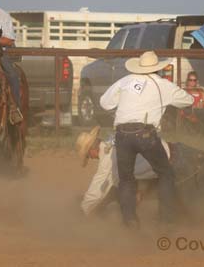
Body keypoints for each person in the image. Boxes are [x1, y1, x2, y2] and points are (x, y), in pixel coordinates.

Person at [99, 51, 194, 228]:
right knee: (166, 173)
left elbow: (104, 102)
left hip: (122, 134)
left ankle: (130, 220)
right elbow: (188, 100)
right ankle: (166, 219)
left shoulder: (125, 81)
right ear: (157, 68)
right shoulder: (162, 85)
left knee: (126, 178)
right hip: (145, 134)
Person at [75, 127, 172, 216]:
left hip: (166, 161)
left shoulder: (107, 157)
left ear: (92, 149)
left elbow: (97, 191)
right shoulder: (111, 143)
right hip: (162, 154)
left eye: (88, 156)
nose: (90, 158)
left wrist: (83, 209)